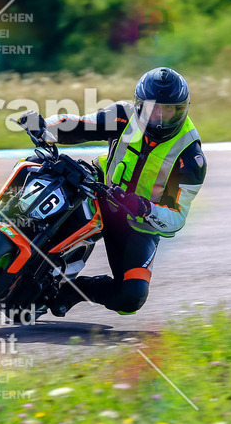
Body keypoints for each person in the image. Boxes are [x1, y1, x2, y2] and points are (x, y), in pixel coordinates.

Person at [19, 67, 206, 316]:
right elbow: (80, 125)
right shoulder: (123, 115)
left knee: (132, 297)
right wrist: (44, 126)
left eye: (169, 110)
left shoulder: (191, 158)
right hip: (96, 189)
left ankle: (74, 289)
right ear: (139, 105)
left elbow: (177, 216)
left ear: (182, 109)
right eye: (153, 109)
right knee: (37, 163)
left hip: (138, 223)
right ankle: (1, 228)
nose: (160, 118)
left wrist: (144, 207)